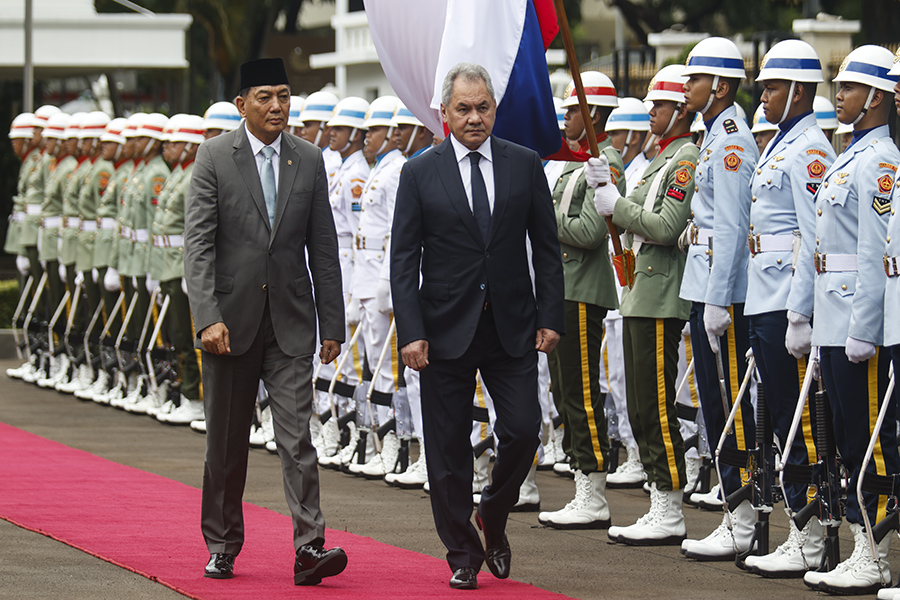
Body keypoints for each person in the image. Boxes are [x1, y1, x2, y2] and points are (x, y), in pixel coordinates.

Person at [391, 62, 564, 590]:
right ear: (444, 113)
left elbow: (546, 248)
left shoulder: (523, 164)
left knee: (524, 429)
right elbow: (404, 260)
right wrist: (411, 331)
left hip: (512, 326)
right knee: (447, 450)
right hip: (443, 331)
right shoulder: (419, 172)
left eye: (483, 107)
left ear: (494, 109)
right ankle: (463, 552)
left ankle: (493, 510)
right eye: (463, 109)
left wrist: (550, 315)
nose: (474, 118)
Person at [184, 57, 347, 585]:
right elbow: (198, 246)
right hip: (229, 327)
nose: (277, 106)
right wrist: (207, 317)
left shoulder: (309, 158)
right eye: (265, 97)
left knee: (297, 439)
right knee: (226, 445)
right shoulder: (214, 157)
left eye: (284, 95)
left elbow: (324, 247)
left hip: (291, 323)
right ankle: (222, 545)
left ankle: (309, 547)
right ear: (241, 104)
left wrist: (332, 323)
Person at [801, 45, 899, 595]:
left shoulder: (880, 160)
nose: (838, 96)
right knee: (843, 435)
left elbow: (874, 252)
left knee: (869, 441)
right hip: (833, 316)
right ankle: (863, 543)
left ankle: (875, 551)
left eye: (849, 88)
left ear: (876, 98)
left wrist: (865, 327)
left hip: (857, 320)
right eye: (838, 86)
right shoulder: (851, 154)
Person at [593, 63, 699, 545]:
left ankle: (670, 503)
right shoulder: (659, 159)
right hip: (638, 292)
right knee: (638, 406)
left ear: (680, 111)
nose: (651, 111)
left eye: (660, 104)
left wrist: (617, 205)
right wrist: (605, 187)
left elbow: (666, 226)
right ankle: (659, 494)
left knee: (656, 406)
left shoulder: (684, 159)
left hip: (660, 295)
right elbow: (626, 212)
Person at [741, 39, 835, 578]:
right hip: (767, 296)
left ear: (798, 90)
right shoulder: (783, 143)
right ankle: (802, 529)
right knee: (780, 418)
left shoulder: (810, 150)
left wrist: (800, 312)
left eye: (772, 88)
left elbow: (813, 234)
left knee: (799, 423)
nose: (765, 97)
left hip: (786, 303)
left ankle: (811, 533)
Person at [677, 36, 760, 560]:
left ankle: (743, 516)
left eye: (695, 78)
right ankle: (735, 509)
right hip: (705, 281)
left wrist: (718, 299)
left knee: (730, 405)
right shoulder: (712, 135)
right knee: (714, 400)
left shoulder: (731, 141)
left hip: (721, 291)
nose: (686, 86)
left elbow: (731, 227)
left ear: (721, 87)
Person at [538, 71, 625, 530]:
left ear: (593, 113)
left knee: (582, 392)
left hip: (582, 289)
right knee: (563, 390)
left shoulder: (605, 161)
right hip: (562, 287)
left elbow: (592, 232)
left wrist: (543, 215)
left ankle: (593, 488)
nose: (567, 118)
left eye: (573, 110)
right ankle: (581, 483)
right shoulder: (577, 161)